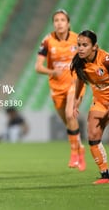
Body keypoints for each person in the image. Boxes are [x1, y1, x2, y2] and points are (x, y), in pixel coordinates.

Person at [71, 30, 109, 184]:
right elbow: (80, 80)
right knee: (93, 134)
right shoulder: (79, 61)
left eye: (85, 45)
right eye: (79, 45)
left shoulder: (107, 60)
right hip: (100, 102)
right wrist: (77, 99)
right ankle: (105, 175)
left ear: (95, 47)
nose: (80, 48)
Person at [35, 9, 86, 171]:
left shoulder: (77, 40)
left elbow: (85, 63)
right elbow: (38, 67)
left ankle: (74, 153)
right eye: (56, 20)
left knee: (71, 114)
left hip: (74, 83)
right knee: (68, 122)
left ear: (68, 23)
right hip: (56, 87)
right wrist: (52, 72)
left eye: (62, 20)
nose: (59, 23)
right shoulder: (48, 41)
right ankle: (80, 148)